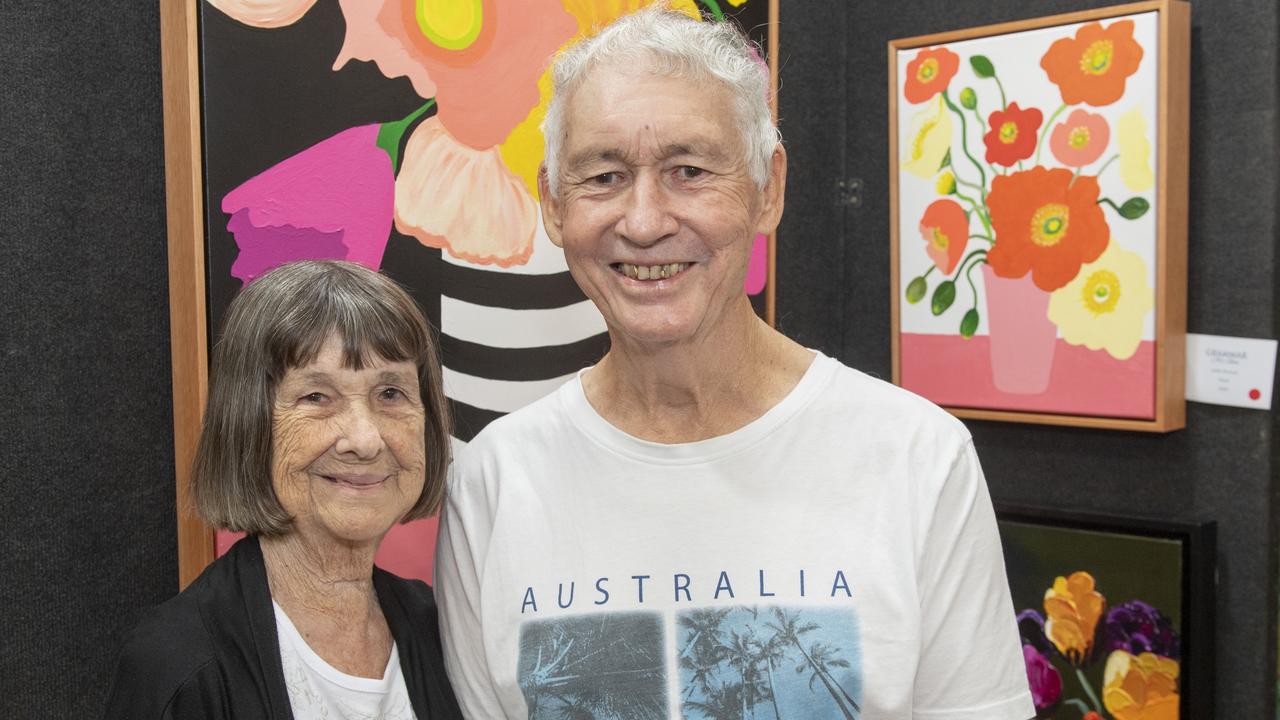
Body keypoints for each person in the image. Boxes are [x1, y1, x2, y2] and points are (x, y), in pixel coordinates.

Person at [435, 8, 1035, 720]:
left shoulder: (914, 457)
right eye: (604, 175)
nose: (645, 219)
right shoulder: (494, 483)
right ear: (554, 206)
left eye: (689, 170)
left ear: (768, 188)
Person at [104, 261, 462, 719]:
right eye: (316, 397)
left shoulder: (440, 626)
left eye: (390, 393)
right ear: (248, 423)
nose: (365, 439)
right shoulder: (178, 663)